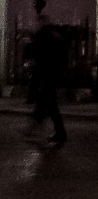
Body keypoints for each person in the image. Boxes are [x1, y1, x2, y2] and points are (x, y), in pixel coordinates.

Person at [23, 17, 72, 145]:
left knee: (48, 103)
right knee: (50, 105)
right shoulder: (56, 36)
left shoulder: (43, 37)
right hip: (54, 74)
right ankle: (57, 132)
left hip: (47, 74)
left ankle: (37, 128)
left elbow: (37, 55)